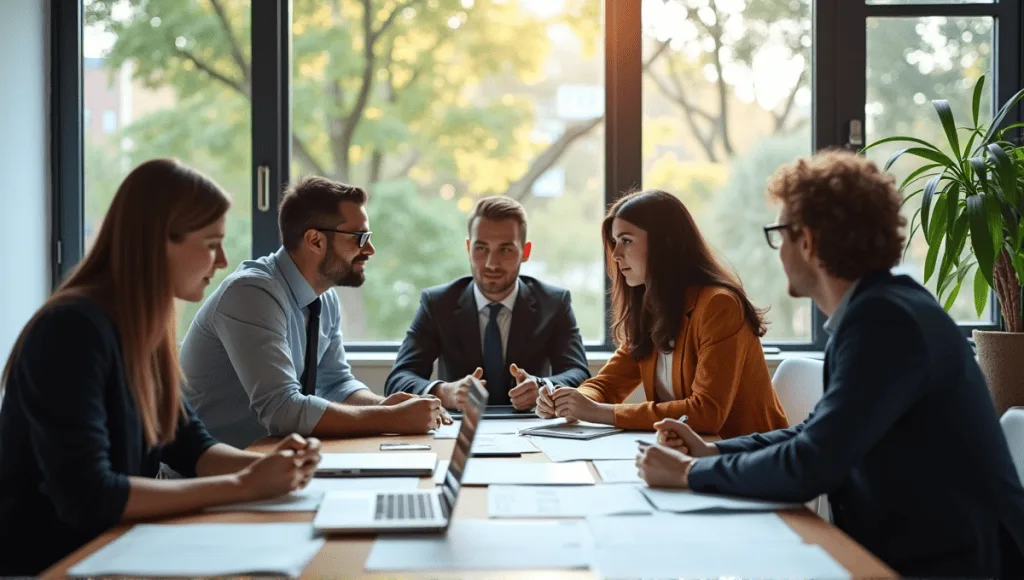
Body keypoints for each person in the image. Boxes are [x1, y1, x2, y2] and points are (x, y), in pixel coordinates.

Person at [636, 150, 1024, 577]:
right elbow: (815, 431)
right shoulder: (877, 311)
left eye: (779, 234)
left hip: (955, 566)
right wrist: (711, 450)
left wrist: (691, 473)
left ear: (808, 241)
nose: (778, 249)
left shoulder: (886, 322)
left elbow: (812, 463)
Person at [0, 159, 321, 575]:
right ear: (157, 243)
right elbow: (89, 495)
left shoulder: (144, 328)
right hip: (55, 563)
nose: (222, 260)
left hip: (116, 549)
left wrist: (276, 466)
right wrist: (244, 486)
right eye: (210, 243)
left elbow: (193, 449)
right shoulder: (72, 330)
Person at [180, 177, 447, 449]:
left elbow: (336, 383)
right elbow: (281, 410)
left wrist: (387, 406)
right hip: (207, 477)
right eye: (360, 238)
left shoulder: (324, 297)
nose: (369, 250)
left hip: (272, 464)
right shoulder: (251, 292)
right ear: (315, 240)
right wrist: (391, 419)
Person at [536, 190, 788, 436]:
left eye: (626, 240)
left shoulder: (719, 306)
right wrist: (571, 401)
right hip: (693, 454)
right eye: (615, 242)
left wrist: (600, 412)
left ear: (665, 242)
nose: (615, 254)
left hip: (747, 459)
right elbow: (608, 384)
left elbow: (706, 413)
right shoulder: (652, 309)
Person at [385, 196, 590, 409]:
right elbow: (398, 379)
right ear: (468, 248)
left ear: (525, 252)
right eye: (481, 248)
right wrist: (446, 392)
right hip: (457, 428)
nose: (492, 264)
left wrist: (543, 387)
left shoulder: (554, 304)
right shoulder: (438, 304)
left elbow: (579, 375)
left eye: (505, 249)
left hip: (531, 428)